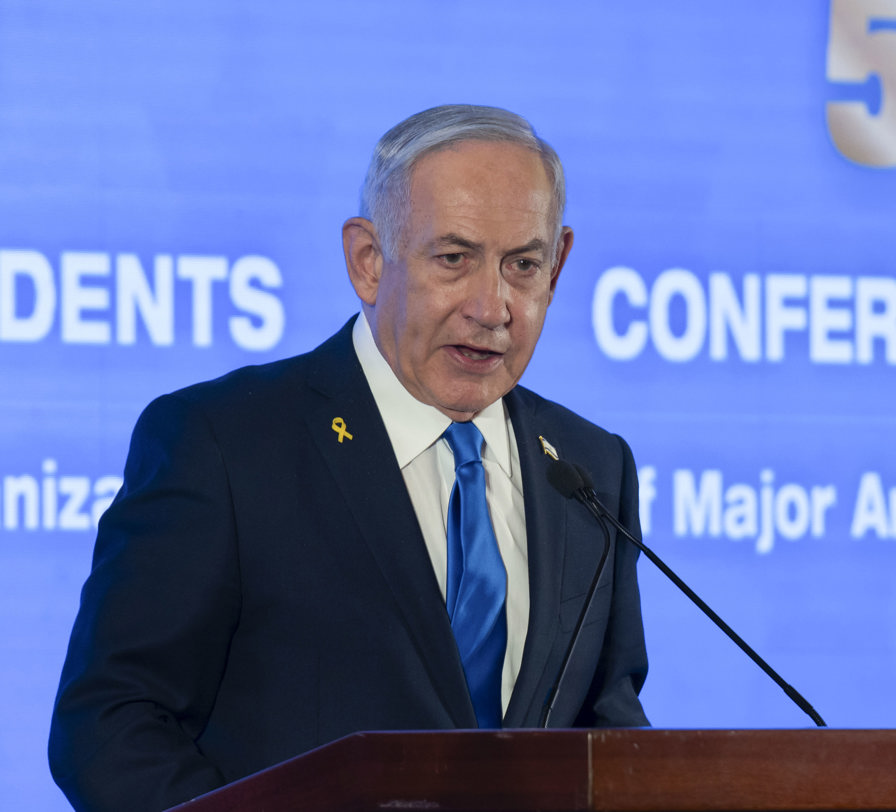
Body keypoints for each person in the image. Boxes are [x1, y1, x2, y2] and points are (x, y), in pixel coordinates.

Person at [48, 104, 649, 812]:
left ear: (559, 266)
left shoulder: (587, 468)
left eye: (523, 265)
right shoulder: (223, 443)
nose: (493, 307)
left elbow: (608, 737)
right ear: (368, 260)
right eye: (454, 259)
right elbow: (109, 722)